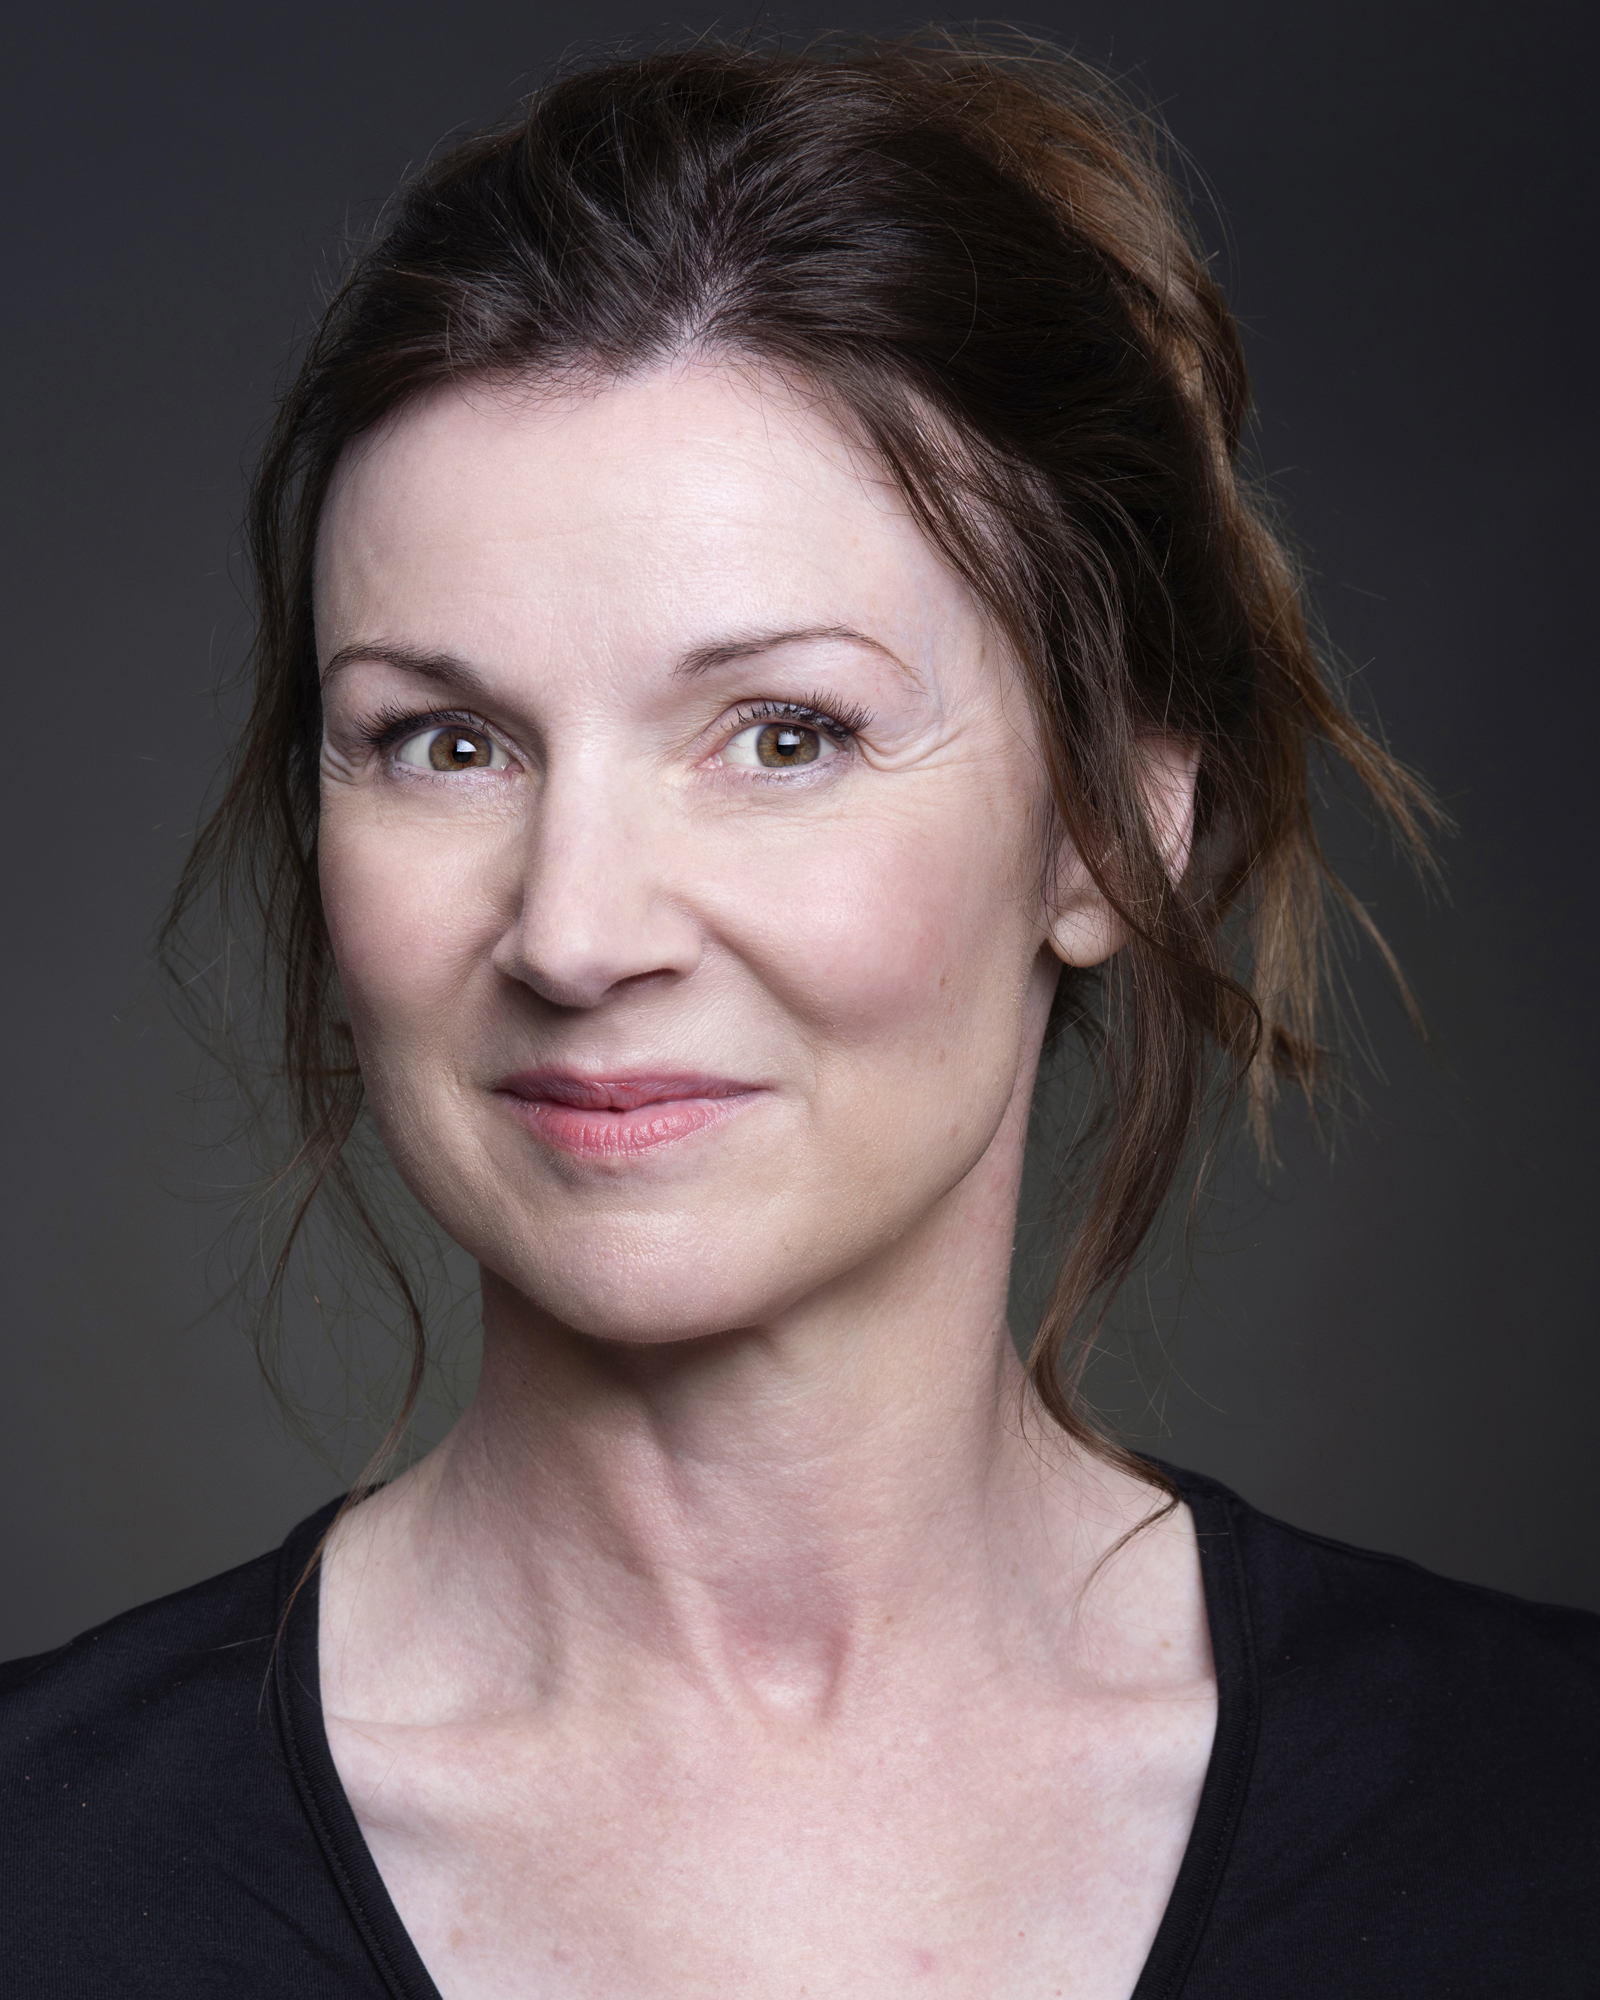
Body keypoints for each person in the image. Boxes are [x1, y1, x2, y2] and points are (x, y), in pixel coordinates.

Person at [2, 36, 1594, 2000]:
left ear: (1107, 830)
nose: (575, 932)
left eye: (783, 734)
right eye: (446, 741)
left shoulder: (1542, 1818)